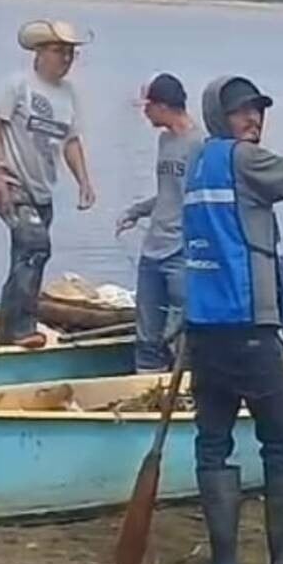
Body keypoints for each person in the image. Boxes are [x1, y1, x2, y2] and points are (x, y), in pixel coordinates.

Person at [183, 70, 283, 564]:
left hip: (204, 330)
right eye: (240, 111)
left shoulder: (196, 163)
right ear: (219, 117)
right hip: (250, 327)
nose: (253, 118)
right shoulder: (243, 160)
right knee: (280, 442)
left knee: (213, 444)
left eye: (258, 109)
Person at [0, 20, 97, 349]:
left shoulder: (68, 94)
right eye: (59, 51)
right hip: (11, 182)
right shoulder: (18, 85)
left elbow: (71, 141)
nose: (66, 58)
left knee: (28, 255)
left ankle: (12, 327)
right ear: (40, 52)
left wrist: (84, 181)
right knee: (34, 245)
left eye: (70, 53)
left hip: (41, 188)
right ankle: (20, 329)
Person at [116, 73, 205, 372]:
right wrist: (136, 211)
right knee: (147, 332)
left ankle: (186, 384)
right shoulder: (165, 140)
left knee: (184, 329)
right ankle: (147, 381)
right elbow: (168, 193)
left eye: (148, 106)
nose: (145, 113)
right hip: (153, 247)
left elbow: (197, 197)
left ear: (163, 107)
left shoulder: (200, 144)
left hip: (180, 251)